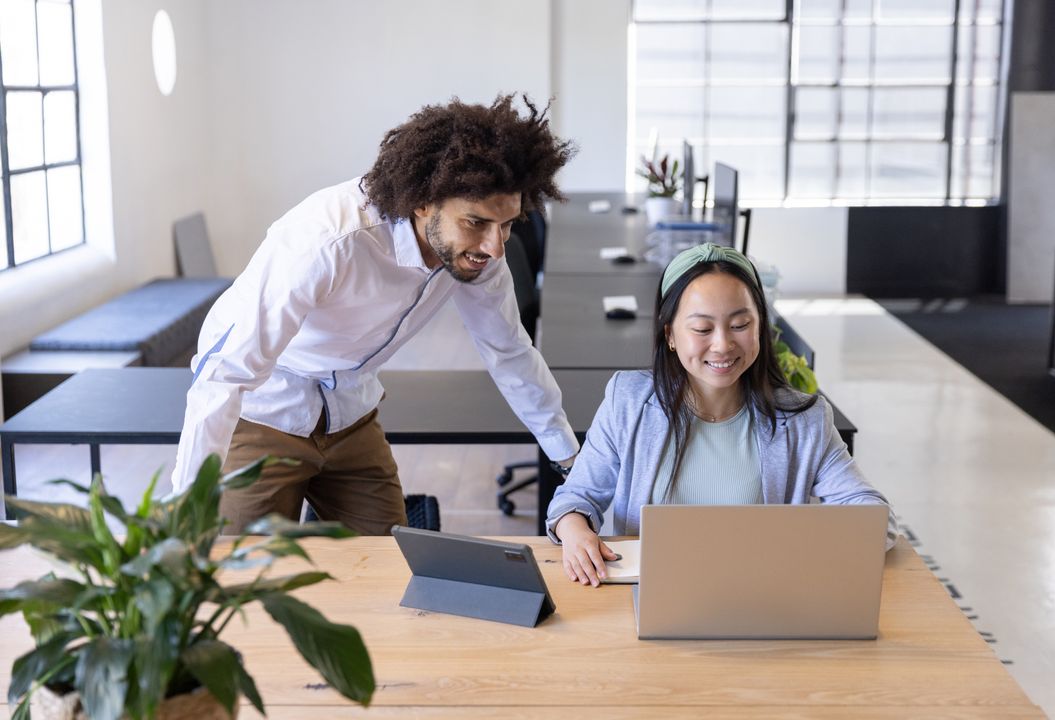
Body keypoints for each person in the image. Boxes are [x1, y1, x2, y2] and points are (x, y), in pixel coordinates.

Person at [170, 95, 580, 534]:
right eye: (476, 222)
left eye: (507, 224)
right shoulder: (329, 240)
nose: (495, 247)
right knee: (245, 576)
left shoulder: (478, 254)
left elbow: (509, 348)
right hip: (264, 411)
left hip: (349, 411)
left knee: (390, 566)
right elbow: (226, 373)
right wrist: (189, 510)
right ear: (424, 203)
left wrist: (570, 458)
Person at [546, 244, 897, 586]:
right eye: (702, 329)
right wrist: (575, 530)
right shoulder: (628, 401)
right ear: (670, 334)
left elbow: (874, 518)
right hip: (652, 596)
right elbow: (574, 499)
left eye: (740, 325)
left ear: (761, 327)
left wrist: (805, 547)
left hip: (762, 598)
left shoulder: (804, 420)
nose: (723, 345)